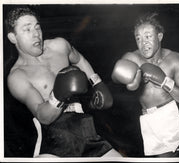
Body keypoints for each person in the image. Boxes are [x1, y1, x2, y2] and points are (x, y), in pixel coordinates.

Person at [5, 7, 122, 157]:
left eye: (37, 27)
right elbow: (43, 116)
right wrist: (59, 94)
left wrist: (96, 82)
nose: (36, 34)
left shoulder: (59, 46)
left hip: (86, 128)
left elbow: (79, 59)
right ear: (13, 38)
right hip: (55, 138)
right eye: (27, 30)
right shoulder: (17, 77)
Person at [111, 12, 179, 157]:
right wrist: (127, 78)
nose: (143, 43)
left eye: (148, 37)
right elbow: (116, 75)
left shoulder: (175, 59)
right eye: (138, 38)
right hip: (149, 121)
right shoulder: (132, 57)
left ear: (160, 36)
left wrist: (164, 82)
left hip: (174, 115)